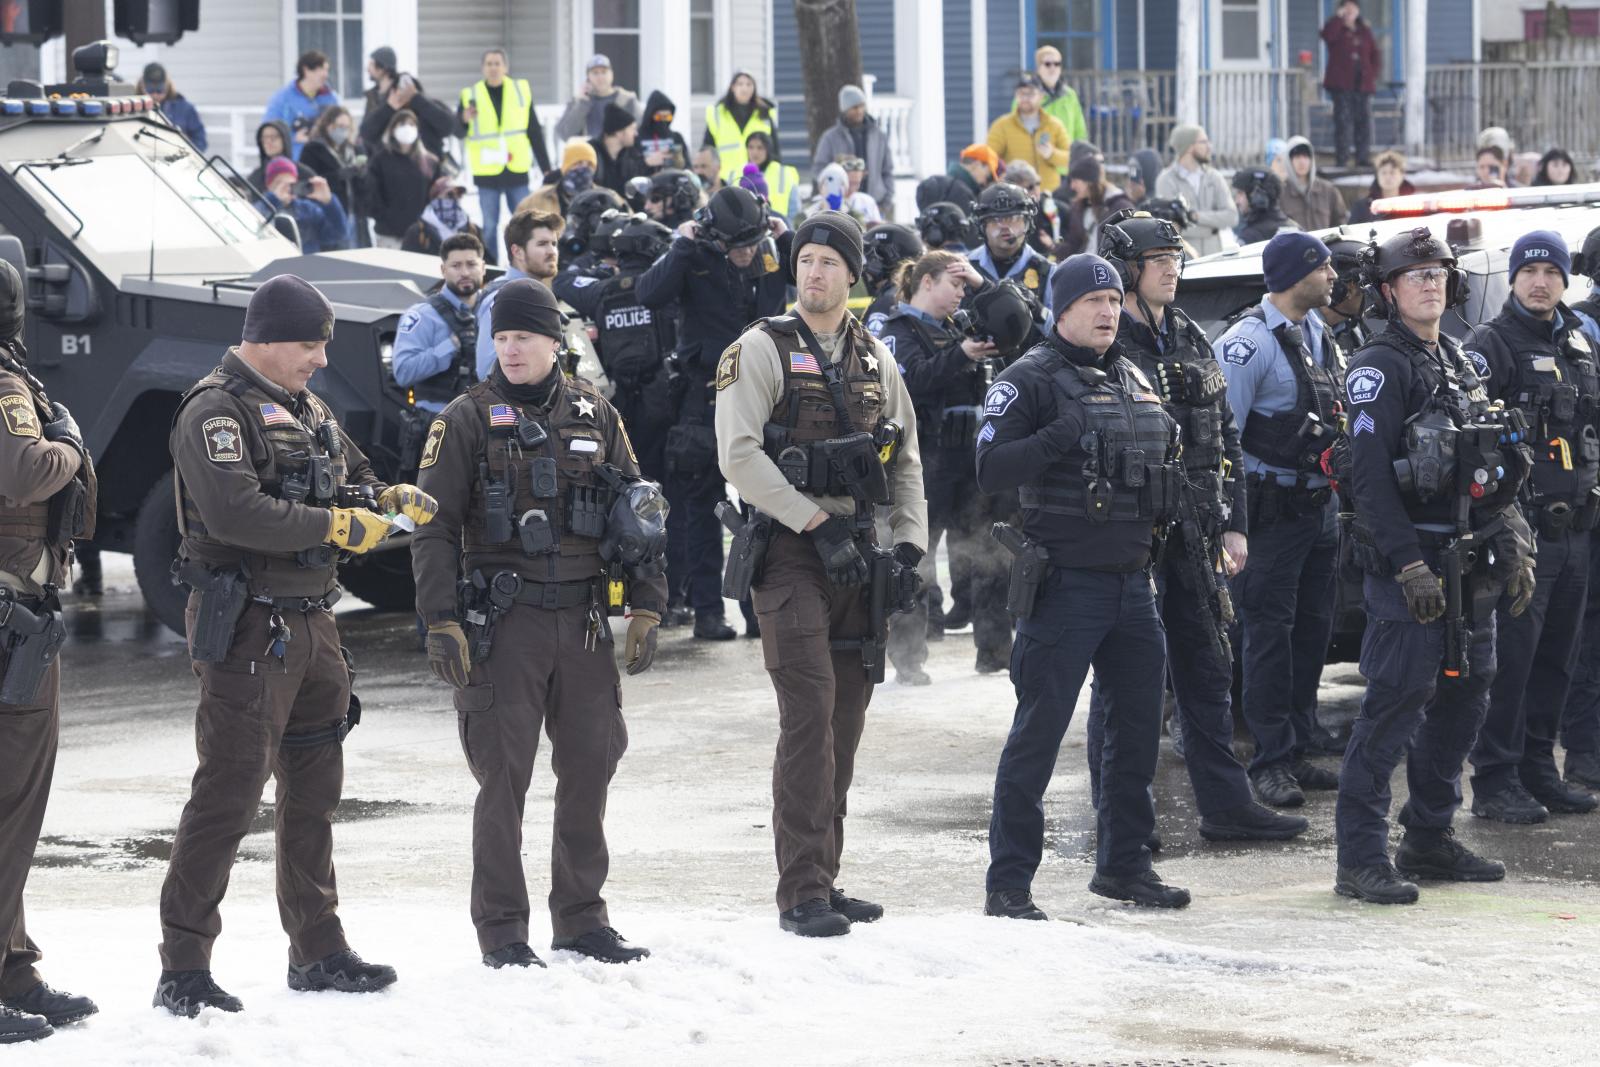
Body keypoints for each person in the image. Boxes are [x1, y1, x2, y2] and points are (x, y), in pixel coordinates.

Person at [155, 275, 435, 1015]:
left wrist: (384, 499)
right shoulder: (215, 410)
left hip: (313, 621)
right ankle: (183, 966)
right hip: (248, 624)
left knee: (314, 793)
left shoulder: (307, 407)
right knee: (229, 792)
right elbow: (235, 510)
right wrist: (336, 525)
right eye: (310, 345)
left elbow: (354, 472)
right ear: (268, 338)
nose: (320, 359)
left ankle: (318, 948)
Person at [412, 276, 663, 967]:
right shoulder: (465, 418)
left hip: (583, 622)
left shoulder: (594, 411)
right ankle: (503, 932)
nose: (511, 349)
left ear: (555, 341)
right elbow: (432, 528)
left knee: (590, 768)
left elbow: (639, 510)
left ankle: (582, 918)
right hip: (505, 622)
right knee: (503, 780)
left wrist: (647, 602)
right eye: (501, 337)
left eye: (524, 336)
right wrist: (440, 619)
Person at [713, 211, 927, 935]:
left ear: (853, 274)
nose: (814, 272)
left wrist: (909, 546)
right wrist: (814, 522)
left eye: (829, 262)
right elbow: (739, 457)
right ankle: (801, 889)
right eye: (805, 259)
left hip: (858, 558)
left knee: (845, 721)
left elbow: (906, 460)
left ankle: (825, 876)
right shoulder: (759, 349)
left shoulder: (876, 357)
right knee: (809, 715)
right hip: (789, 553)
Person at [1085, 212, 1309, 845]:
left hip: (1199, 532)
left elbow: (1227, 436)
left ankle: (1226, 806)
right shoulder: (1103, 342)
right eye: (1159, 260)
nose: (1172, 270)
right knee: (1129, 682)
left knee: (1208, 668)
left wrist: (1235, 525)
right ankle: (1121, 819)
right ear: (1127, 269)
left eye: (1175, 259)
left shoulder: (1187, 332)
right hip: (1133, 538)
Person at [977, 254, 1189, 919]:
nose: (1107, 311)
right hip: (1065, 587)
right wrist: (1055, 437)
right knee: (1037, 738)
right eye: (1093, 300)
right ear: (1061, 310)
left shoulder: (1132, 373)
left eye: (1114, 299)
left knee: (1135, 737)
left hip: (1134, 585)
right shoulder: (1029, 378)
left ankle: (1125, 866)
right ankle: (1009, 884)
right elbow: (990, 467)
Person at [1334, 227, 1536, 904]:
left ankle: (1428, 833)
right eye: (1415, 275)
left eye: (1439, 273)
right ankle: (1360, 856)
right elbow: (1369, 481)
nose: (1430, 283)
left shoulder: (1456, 358)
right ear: (1388, 291)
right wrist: (1408, 566)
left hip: (1469, 563)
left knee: (1465, 695)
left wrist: (1513, 537)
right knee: (1395, 703)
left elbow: (1489, 465)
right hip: (1412, 567)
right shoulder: (1378, 366)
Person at [1462, 232, 1600, 823]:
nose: (1539, 282)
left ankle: (1539, 768)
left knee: (1557, 660)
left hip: (1576, 533)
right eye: (1529, 271)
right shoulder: (1489, 345)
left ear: (1566, 279)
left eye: (1550, 272)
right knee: (1513, 663)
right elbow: (1469, 441)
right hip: (1521, 536)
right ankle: (1496, 779)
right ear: (1514, 279)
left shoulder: (1578, 343)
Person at [0, 261, 98, 1044]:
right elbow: (25, 470)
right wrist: (65, 441)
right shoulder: (5, 383)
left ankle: (12, 966)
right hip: (11, 616)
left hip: (19, 612)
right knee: (12, 801)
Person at [1214, 233, 1343, 808]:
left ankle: (1297, 745)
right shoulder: (1247, 345)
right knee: (1268, 638)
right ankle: (1269, 761)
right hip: (1268, 517)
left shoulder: (1319, 333)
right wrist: (1231, 524)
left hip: (1320, 512)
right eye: (1324, 267)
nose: (1334, 276)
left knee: (1312, 633)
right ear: (1295, 275)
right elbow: (1223, 439)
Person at [638, 187, 792, 640]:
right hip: (704, 396)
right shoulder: (695, 257)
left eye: (752, 243)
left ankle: (759, 612)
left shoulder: (772, 255)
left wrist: (786, 239)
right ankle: (708, 612)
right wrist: (682, 246)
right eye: (736, 245)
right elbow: (650, 294)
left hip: (763, 395)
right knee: (703, 509)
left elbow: (814, 278)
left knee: (762, 508)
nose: (745, 253)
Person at [879, 250, 1012, 679]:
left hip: (972, 459)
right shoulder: (897, 331)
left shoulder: (961, 327)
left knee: (989, 555)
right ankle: (908, 659)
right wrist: (962, 355)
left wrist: (980, 282)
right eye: (955, 284)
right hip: (925, 461)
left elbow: (1014, 318)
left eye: (963, 286)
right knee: (913, 558)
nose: (960, 294)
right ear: (927, 282)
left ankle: (995, 651)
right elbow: (910, 381)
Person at [555, 214, 677, 487]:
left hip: (618, 401)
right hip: (664, 400)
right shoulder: (664, 290)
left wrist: (599, 269)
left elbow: (563, 281)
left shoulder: (601, 291)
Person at [460, 50, 541, 265]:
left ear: (505, 67)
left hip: (516, 168)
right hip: (487, 171)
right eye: (489, 63)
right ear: (483, 68)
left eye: (497, 63)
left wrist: (546, 166)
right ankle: (491, 268)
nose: (493, 68)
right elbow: (458, 130)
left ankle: (525, 264)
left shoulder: (520, 90)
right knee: (489, 225)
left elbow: (534, 129)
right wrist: (463, 119)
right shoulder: (471, 94)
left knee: (525, 223)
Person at [391, 233, 487, 414]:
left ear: (483, 268)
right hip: (439, 420)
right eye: (456, 266)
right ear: (443, 270)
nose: (465, 272)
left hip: (485, 418)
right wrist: (450, 346)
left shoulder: (493, 309)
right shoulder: (423, 315)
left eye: (471, 264)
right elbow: (403, 372)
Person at [474, 210, 564, 379]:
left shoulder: (540, 294)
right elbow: (487, 372)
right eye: (542, 244)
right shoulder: (502, 299)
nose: (552, 251)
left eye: (554, 243)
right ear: (517, 252)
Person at [360, 46, 460, 163]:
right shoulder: (373, 99)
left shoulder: (413, 97)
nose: (367, 69)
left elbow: (448, 126)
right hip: (388, 167)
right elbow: (366, 133)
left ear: (382, 68)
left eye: (371, 64)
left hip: (423, 166)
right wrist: (389, 107)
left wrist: (416, 98)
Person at [811, 85, 895, 220]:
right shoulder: (831, 137)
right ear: (845, 109)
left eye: (862, 106)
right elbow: (819, 169)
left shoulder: (879, 136)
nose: (859, 111)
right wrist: (833, 191)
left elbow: (887, 171)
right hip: (841, 209)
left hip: (875, 205)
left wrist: (886, 202)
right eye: (855, 107)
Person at [969, 182, 1052, 313]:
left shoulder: (1048, 272)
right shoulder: (965, 266)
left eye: (1013, 218)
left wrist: (1038, 310)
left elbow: (1060, 324)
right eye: (995, 219)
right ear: (981, 226)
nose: (1005, 226)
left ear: (1027, 223)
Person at [1156, 125, 1238, 257]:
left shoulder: (1214, 177)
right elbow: (1170, 226)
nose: (1209, 147)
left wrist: (1195, 216)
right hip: (1185, 259)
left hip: (1215, 256)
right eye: (1203, 142)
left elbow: (1232, 217)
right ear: (1189, 147)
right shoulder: (1166, 180)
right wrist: (1212, 226)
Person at [986, 74, 1072, 195]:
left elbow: (1070, 158)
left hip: (1049, 193)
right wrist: (1004, 177)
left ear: (1041, 96)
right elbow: (990, 158)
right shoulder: (1001, 125)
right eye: (1021, 93)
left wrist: (1052, 154)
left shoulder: (1054, 125)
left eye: (1031, 94)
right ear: (1016, 96)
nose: (1025, 98)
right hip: (1016, 194)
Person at [365, 110, 437, 250]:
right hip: (389, 234)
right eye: (402, 124)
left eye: (412, 124)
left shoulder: (428, 161)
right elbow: (372, 194)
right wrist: (383, 217)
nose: (407, 128)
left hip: (421, 233)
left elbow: (435, 194)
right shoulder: (380, 160)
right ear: (392, 130)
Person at [1321, 0, 1380, 167]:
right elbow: (1327, 36)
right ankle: (1342, 158)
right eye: (1346, 7)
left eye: (1353, 7)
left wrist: (1372, 74)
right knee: (1343, 122)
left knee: (1362, 122)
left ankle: (1362, 158)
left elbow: (1375, 54)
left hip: (1362, 85)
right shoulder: (1336, 27)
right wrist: (1338, 18)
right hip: (1341, 85)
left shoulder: (1364, 30)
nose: (1350, 11)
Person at [301, 106, 366, 246]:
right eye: (340, 126)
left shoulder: (353, 150)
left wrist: (361, 174)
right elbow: (309, 183)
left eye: (347, 127)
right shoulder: (313, 149)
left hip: (354, 214)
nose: (343, 131)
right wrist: (338, 176)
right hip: (329, 215)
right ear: (328, 125)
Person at [258, 158, 348, 254]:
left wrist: (329, 202)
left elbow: (338, 234)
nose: (286, 188)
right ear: (268, 186)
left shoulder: (307, 209)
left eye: (290, 184)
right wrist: (273, 200)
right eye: (279, 183)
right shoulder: (260, 207)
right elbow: (255, 226)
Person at [264, 50, 339, 162]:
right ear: (306, 70)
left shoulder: (331, 98)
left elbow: (342, 124)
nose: (325, 75)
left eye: (326, 70)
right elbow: (269, 129)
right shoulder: (282, 98)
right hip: (294, 160)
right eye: (321, 69)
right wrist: (293, 137)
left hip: (325, 159)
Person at [704, 70, 777, 182]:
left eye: (749, 84)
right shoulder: (717, 114)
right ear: (733, 87)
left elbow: (774, 149)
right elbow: (708, 149)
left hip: (758, 178)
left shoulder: (764, 114)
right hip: (726, 179)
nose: (744, 88)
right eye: (740, 84)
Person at [555, 54, 644, 143]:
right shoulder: (579, 101)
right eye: (595, 73)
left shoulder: (626, 99)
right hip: (589, 150)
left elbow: (641, 130)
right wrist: (582, 104)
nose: (600, 77)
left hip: (620, 150)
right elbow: (564, 134)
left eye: (604, 72)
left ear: (611, 74)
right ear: (588, 77)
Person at [1058, 156, 1135, 258]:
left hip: (1108, 266)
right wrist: (1052, 246)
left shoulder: (1120, 206)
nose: (1072, 186)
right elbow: (1074, 245)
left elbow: (1130, 243)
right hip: (1085, 264)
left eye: (1075, 181)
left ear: (1088, 181)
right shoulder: (1079, 207)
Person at [861, 223, 925, 334]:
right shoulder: (916, 294)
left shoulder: (888, 301)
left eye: (869, 257)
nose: (864, 266)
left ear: (884, 258)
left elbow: (870, 344)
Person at [1321, 236, 1374, 364]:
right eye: (1369, 287)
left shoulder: (1355, 331)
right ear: (1350, 289)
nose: (1375, 296)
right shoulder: (1303, 333)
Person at [401, 175, 485, 256]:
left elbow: (485, 262)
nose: (455, 199)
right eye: (450, 195)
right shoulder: (418, 232)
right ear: (435, 198)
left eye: (459, 195)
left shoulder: (473, 230)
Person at [1280, 136, 1348, 232]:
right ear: (1289, 161)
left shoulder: (1328, 190)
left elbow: (1341, 223)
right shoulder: (1281, 193)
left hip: (1324, 241)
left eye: (1305, 156)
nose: (1302, 162)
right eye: (1297, 157)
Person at [522, 142, 599, 218]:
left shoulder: (602, 199)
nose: (584, 168)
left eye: (589, 164)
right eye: (579, 163)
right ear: (567, 167)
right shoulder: (538, 200)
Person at [141, 62, 205, 151]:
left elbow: (200, 142)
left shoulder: (185, 109)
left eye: (159, 90)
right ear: (143, 86)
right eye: (150, 90)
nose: (155, 95)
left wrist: (186, 144)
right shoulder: (133, 109)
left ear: (167, 86)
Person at [1032, 45, 1088, 144]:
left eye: (1057, 64)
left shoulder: (1070, 95)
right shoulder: (1027, 94)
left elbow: (1079, 128)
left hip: (1066, 151)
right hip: (1037, 151)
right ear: (1039, 68)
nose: (1053, 68)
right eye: (1048, 64)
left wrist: (1080, 148)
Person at [1002, 161, 1059, 257]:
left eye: (1038, 183)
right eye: (1030, 187)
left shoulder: (1051, 207)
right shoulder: (1005, 214)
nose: (1037, 189)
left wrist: (1053, 246)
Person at [629, 91, 691, 176]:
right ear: (650, 115)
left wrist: (679, 162)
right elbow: (629, 168)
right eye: (659, 117)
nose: (663, 121)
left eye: (667, 117)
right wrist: (647, 162)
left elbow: (687, 167)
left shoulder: (676, 138)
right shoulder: (636, 137)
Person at [804, 161, 880, 226]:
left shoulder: (855, 216)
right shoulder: (806, 214)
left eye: (841, 184)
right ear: (821, 187)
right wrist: (825, 212)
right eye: (829, 183)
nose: (835, 188)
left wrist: (839, 213)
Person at [1232, 169, 1296, 245]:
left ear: (1258, 196)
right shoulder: (1295, 229)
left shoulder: (1249, 238)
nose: (1236, 201)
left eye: (1240, 193)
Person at [744, 132, 800, 219]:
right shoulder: (736, 172)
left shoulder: (785, 173)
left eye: (760, 148)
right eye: (751, 147)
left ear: (768, 150)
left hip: (778, 223)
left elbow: (794, 208)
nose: (755, 152)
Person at [590, 103, 641, 196]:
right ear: (619, 132)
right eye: (632, 129)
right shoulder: (591, 154)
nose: (636, 134)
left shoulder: (629, 156)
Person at [1349, 150, 1413, 224]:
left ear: (1402, 175)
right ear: (1377, 176)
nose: (1388, 177)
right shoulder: (1361, 208)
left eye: (1392, 172)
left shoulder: (1414, 205)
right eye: (1383, 173)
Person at [247, 120, 311, 193]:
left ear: (285, 139)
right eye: (264, 138)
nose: (268, 141)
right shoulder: (255, 178)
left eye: (273, 137)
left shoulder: (304, 174)